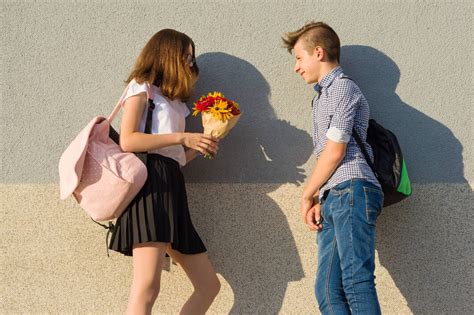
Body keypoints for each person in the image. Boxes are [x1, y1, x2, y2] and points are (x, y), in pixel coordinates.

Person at [108, 29, 221, 315]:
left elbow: (175, 158)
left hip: (172, 183)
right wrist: (182, 138)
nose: (190, 64)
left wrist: (201, 144)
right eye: (186, 56)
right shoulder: (142, 87)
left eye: (192, 58)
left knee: (209, 285)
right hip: (149, 187)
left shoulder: (177, 104)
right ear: (168, 55)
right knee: (147, 284)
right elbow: (129, 140)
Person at [282, 22, 384, 314]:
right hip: (334, 195)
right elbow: (328, 154)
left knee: (356, 281)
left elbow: (336, 150)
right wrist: (318, 195)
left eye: (299, 59)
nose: (296, 68)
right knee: (327, 290)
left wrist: (306, 194)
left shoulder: (342, 88)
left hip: (353, 190)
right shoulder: (322, 96)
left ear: (319, 52)